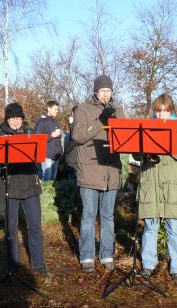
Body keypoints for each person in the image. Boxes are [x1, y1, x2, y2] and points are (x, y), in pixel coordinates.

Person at [135, 94, 177, 282]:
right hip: (151, 184)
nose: (161, 115)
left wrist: (171, 143)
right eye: (158, 112)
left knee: (174, 229)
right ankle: (147, 265)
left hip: (172, 186)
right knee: (149, 228)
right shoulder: (146, 127)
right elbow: (136, 154)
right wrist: (143, 150)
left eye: (165, 112)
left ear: (171, 111)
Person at [72, 75, 125, 272]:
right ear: (96, 92)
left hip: (111, 170)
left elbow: (126, 138)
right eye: (102, 91)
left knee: (108, 216)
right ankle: (86, 256)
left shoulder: (118, 111)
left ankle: (107, 254)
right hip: (90, 169)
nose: (105, 94)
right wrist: (99, 120)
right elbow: (78, 136)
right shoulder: (83, 109)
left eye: (108, 91)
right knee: (88, 215)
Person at [0, 103, 51, 275]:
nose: (15, 121)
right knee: (11, 228)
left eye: (18, 118)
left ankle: (38, 264)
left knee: (34, 226)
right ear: (7, 119)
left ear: (22, 119)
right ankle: (13, 264)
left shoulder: (31, 134)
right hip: (9, 186)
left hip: (30, 185)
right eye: (12, 118)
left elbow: (39, 156)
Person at [34, 101, 63, 181]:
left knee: (53, 178)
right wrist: (51, 136)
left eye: (57, 109)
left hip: (56, 155)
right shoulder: (41, 122)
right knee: (47, 176)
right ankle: (44, 193)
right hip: (46, 155)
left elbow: (59, 139)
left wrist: (60, 152)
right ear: (48, 109)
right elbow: (37, 138)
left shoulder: (56, 123)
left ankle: (51, 193)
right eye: (55, 109)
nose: (56, 111)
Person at [63, 105, 79, 184]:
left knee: (73, 180)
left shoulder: (75, 125)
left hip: (73, 155)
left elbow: (74, 139)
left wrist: (66, 150)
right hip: (78, 155)